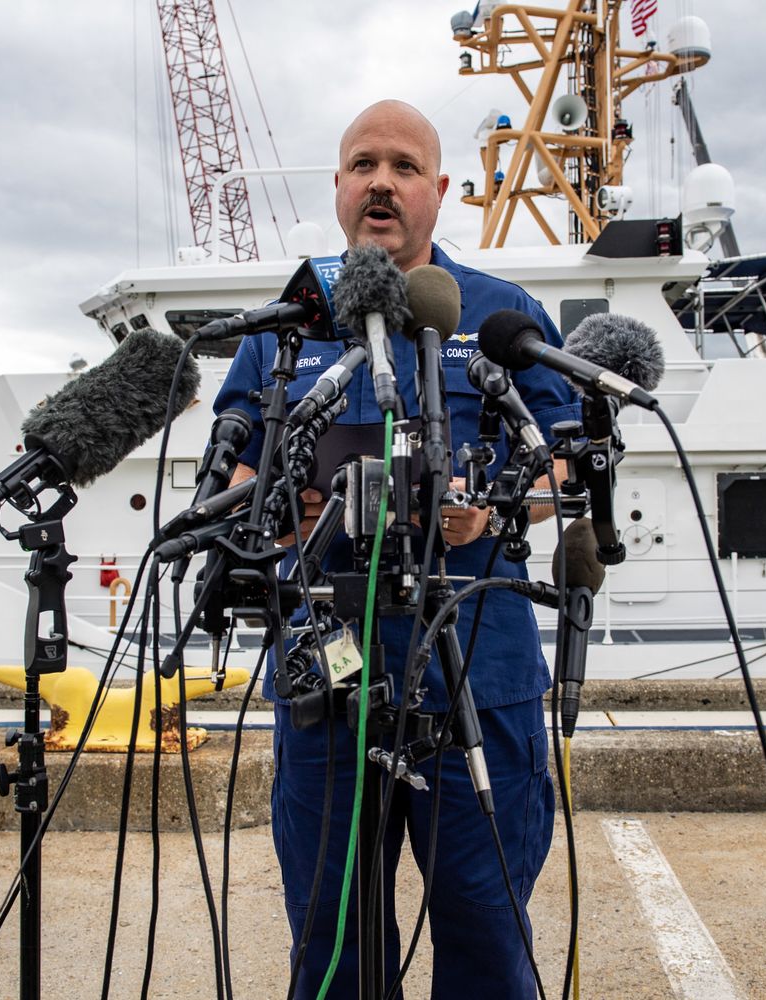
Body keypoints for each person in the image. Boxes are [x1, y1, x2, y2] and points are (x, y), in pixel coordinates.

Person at [213, 100, 580, 998]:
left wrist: (494, 510)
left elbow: (569, 462)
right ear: (339, 187)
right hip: (326, 668)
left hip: (473, 665)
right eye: (364, 164)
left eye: (405, 166)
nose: (383, 182)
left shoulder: (502, 314)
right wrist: (272, 508)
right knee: (331, 940)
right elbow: (230, 471)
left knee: (485, 927)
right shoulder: (289, 325)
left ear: (439, 191)